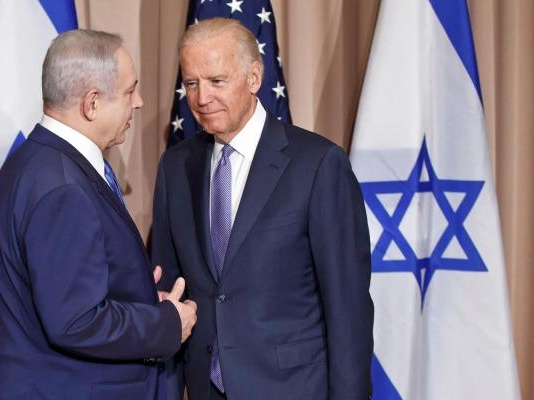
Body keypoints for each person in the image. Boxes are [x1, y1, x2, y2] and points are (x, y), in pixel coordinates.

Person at [152, 18, 373, 400]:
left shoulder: (317, 164)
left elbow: (347, 308)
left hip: (292, 389)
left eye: (217, 81)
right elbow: (169, 294)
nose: (201, 98)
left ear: (254, 77)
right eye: (192, 83)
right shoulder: (175, 167)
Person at [0, 29, 197, 399]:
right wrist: (165, 324)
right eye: (130, 91)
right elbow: (76, 320)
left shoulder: (33, 160)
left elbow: (62, 289)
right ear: (92, 103)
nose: (140, 103)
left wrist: (138, 296)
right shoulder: (64, 187)